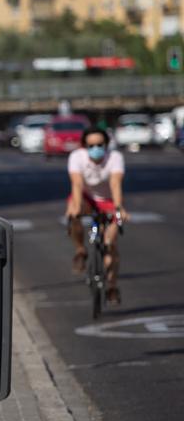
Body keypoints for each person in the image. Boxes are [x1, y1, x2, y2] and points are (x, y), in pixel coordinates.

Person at [65, 126, 126, 304]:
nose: (96, 149)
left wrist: (118, 207)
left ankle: (112, 286)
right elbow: (76, 184)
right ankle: (80, 250)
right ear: (84, 146)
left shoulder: (115, 158)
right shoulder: (76, 157)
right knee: (72, 213)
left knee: (110, 244)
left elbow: (115, 184)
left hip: (108, 199)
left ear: (106, 145)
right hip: (86, 197)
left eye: (100, 145)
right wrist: (76, 206)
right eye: (91, 145)